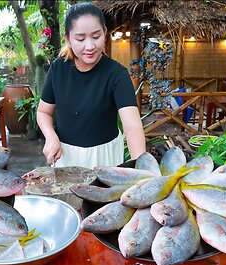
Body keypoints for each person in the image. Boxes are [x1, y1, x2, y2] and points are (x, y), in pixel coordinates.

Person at [37, 2, 146, 168]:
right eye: (80, 39)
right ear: (68, 39)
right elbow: (44, 112)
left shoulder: (117, 74)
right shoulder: (58, 69)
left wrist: (141, 167)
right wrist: (51, 137)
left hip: (105, 157)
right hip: (65, 157)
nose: (89, 46)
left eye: (96, 37)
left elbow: (132, 126)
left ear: (104, 33)